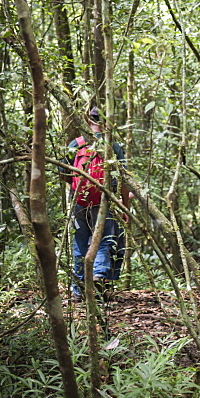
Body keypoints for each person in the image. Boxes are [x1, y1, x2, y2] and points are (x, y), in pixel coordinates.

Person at [67, 106, 131, 300]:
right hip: (104, 200)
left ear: (87, 120)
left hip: (79, 201)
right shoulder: (113, 146)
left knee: (79, 244)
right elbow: (124, 180)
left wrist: (77, 189)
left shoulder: (75, 144)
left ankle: (78, 290)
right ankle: (99, 277)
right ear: (105, 122)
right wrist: (124, 207)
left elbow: (65, 173)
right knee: (104, 240)